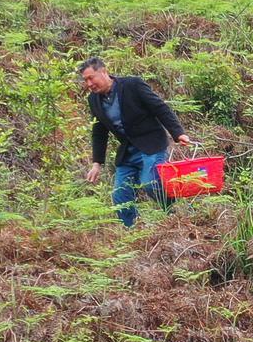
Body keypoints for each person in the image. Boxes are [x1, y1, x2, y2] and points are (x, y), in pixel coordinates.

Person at [78, 57, 192, 228]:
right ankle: (133, 229)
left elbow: (160, 108)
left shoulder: (133, 85)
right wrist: (97, 163)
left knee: (150, 182)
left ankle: (178, 214)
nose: (89, 84)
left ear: (103, 71)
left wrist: (178, 133)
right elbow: (99, 132)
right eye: (85, 80)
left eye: (91, 77)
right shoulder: (94, 100)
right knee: (119, 195)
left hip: (151, 144)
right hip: (127, 152)